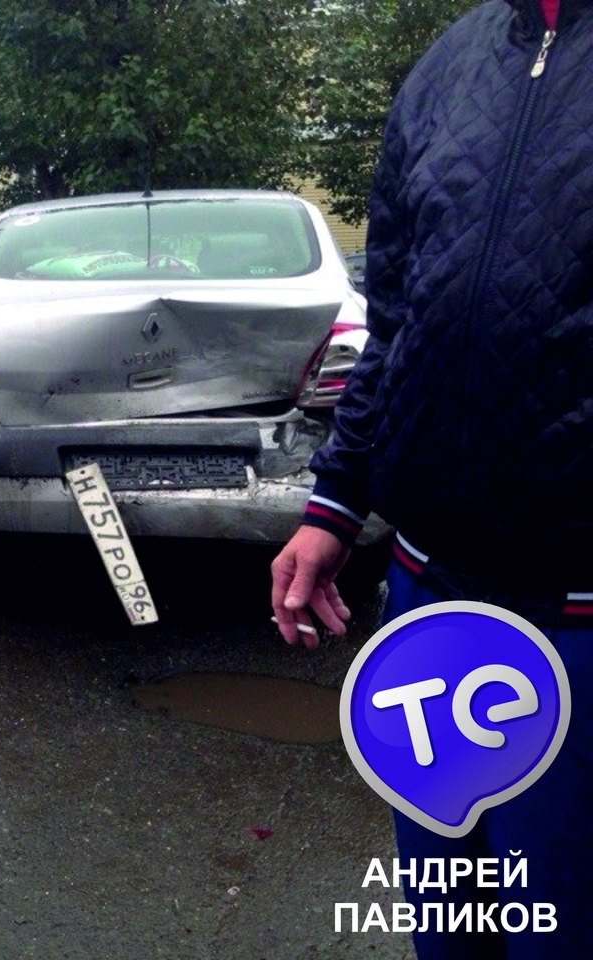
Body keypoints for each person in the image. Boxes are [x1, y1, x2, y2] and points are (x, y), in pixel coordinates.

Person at [271, 1, 591, 956]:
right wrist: (335, 501)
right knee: (451, 924)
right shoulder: (449, 66)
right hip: (431, 600)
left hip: (577, 616)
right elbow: (397, 320)